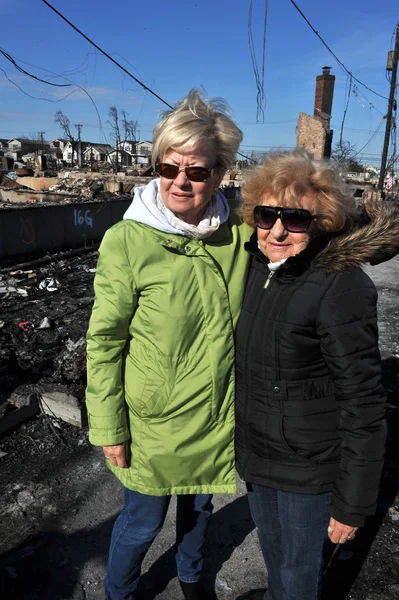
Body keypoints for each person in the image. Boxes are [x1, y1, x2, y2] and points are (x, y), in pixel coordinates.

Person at [86, 89, 251, 600]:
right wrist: (109, 426)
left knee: (199, 512)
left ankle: (193, 578)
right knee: (141, 520)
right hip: (152, 420)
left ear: (220, 173)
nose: (181, 180)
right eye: (167, 166)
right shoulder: (129, 240)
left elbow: (309, 230)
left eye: (197, 170)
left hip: (214, 411)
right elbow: (105, 341)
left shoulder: (241, 237)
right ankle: (120, 592)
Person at [234, 149, 398, 600]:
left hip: (309, 469)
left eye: (297, 219)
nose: (279, 230)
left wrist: (352, 503)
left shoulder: (340, 286)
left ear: (322, 222)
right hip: (258, 455)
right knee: (275, 558)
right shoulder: (257, 268)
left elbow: (364, 404)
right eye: (267, 215)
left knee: (298, 574)